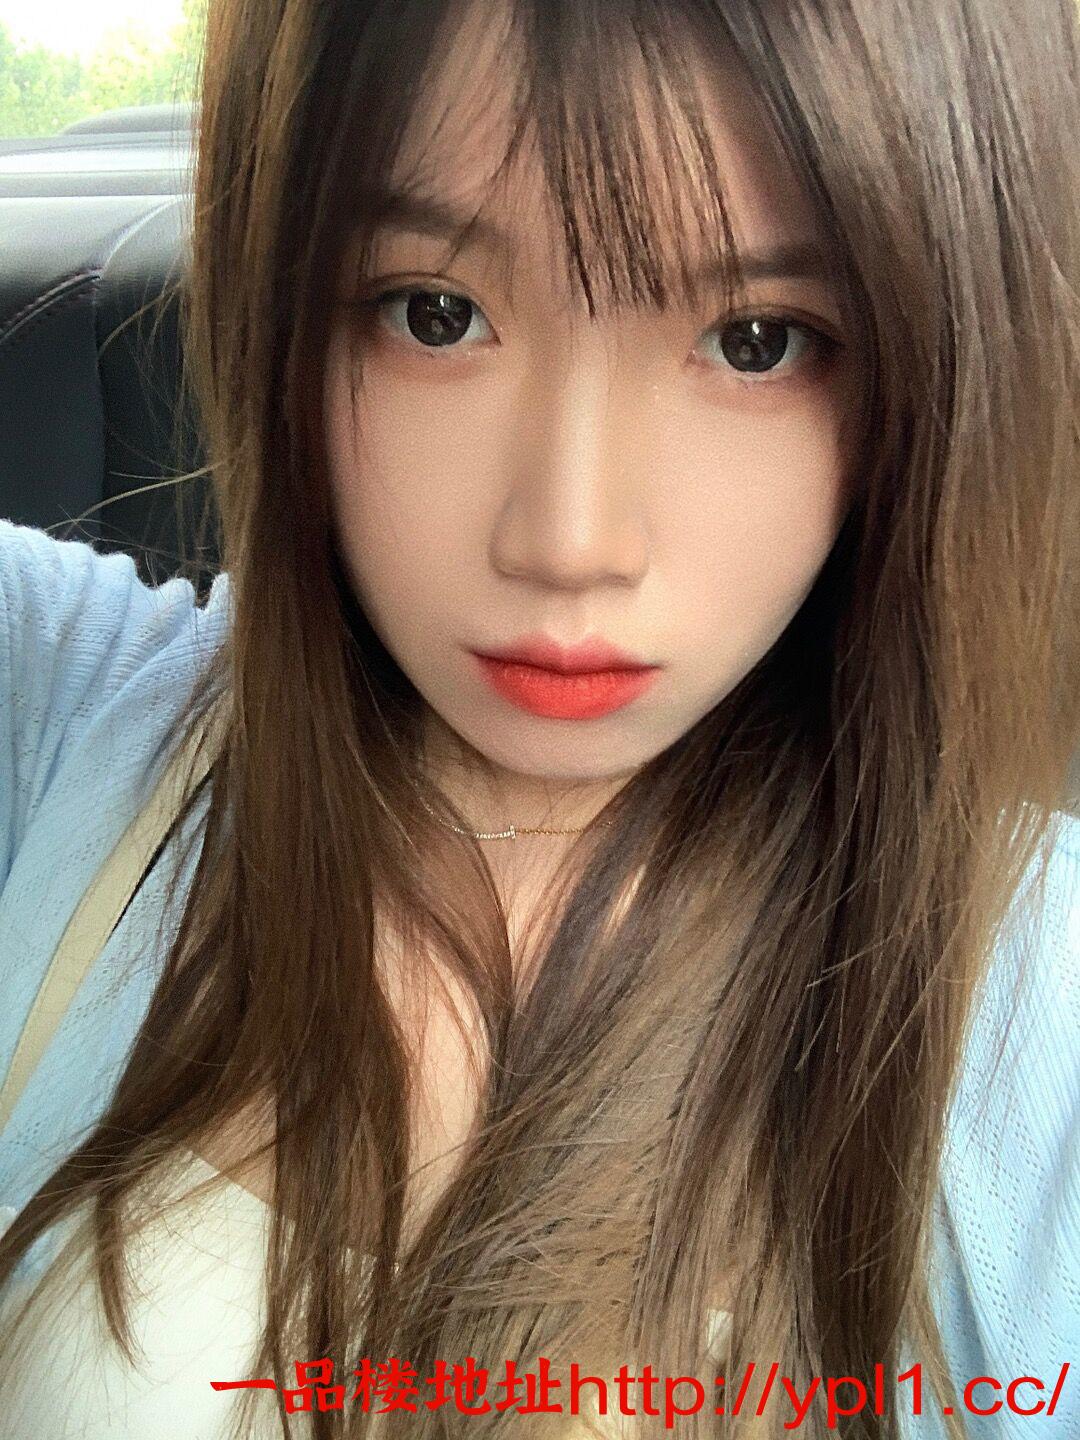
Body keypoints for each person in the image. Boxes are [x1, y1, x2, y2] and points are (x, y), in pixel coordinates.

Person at [0, 0, 1077, 1436]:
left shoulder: (1037, 1001)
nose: (571, 542)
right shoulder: (73, 709)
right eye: (433, 313)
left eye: (758, 340)